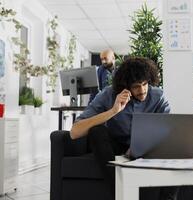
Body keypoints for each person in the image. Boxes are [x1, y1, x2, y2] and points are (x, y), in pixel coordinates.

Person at [71, 57, 178, 200]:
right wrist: (113, 111)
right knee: (97, 131)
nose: (142, 91)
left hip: (147, 147)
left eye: (145, 84)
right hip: (116, 147)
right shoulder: (108, 95)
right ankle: (120, 192)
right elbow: (74, 132)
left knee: (175, 148)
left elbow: (167, 131)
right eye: (136, 86)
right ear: (125, 86)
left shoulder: (158, 96)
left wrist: (141, 146)